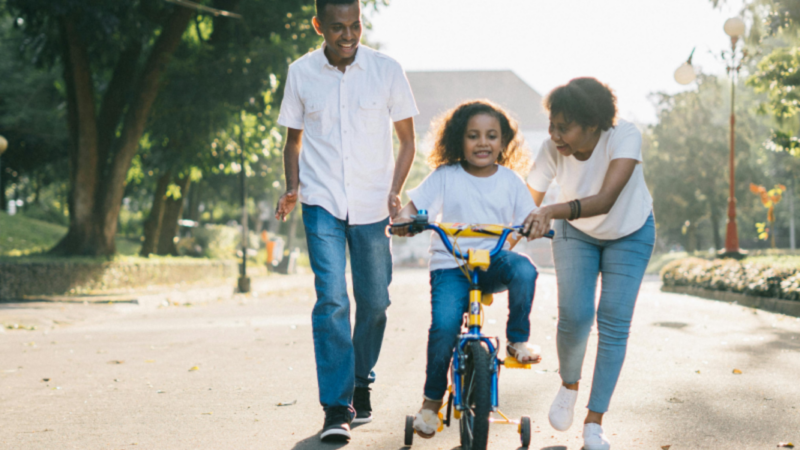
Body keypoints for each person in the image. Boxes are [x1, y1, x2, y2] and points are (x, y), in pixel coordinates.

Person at [274, 0, 418, 442]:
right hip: (321, 202)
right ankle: (337, 407)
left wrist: (395, 189)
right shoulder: (301, 73)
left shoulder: (387, 70)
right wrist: (293, 187)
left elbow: (408, 141)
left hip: (373, 205)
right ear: (319, 25)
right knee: (332, 300)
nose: (349, 35)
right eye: (338, 27)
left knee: (375, 303)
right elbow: (293, 142)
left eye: (355, 25)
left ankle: (360, 380)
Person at [393, 100, 543, 439]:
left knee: (525, 270)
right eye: (473, 136)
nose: (482, 143)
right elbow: (412, 208)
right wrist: (404, 220)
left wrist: (534, 226)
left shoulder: (510, 181)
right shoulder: (445, 176)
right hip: (451, 265)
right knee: (444, 327)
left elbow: (528, 218)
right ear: (458, 140)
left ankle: (517, 340)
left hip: (492, 262)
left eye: (491, 136)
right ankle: (431, 403)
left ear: (503, 142)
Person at [522, 77, 655, 450]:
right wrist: (501, 243)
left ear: (593, 124)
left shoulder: (624, 136)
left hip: (630, 231)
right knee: (575, 315)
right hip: (575, 232)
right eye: (552, 125)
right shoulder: (552, 149)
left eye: (564, 127)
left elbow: (607, 199)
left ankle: (594, 423)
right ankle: (569, 384)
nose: (554, 135)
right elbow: (526, 205)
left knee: (614, 320)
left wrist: (550, 211)